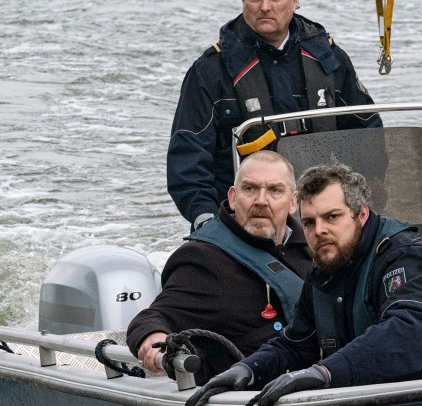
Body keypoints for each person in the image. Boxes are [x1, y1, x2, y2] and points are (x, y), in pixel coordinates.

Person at [187, 162, 422, 406]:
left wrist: (324, 373)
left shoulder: (410, 257)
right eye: (309, 222)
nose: (320, 230)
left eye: (332, 217)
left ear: (361, 214)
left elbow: (406, 335)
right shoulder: (325, 268)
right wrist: (248, 370)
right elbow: (297, 345)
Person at [167, 0, 381, 230]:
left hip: (322, 216)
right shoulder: (209, 71)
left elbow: (368, 132)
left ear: (295, 0)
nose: (265, 7)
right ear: (243, 1)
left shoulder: (328, 59)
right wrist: (206, 218)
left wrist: (355, 205)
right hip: (245, 222)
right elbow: (187, 157)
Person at [128, 151, 312, 383]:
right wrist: (155, 340)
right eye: (250, 189)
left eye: (275, 190)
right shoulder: (203, 259)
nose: (261, 200)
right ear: (233, 197)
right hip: (253, 395)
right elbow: (154, 316)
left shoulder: (315, 245)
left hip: (326, 375)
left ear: (293, 202)